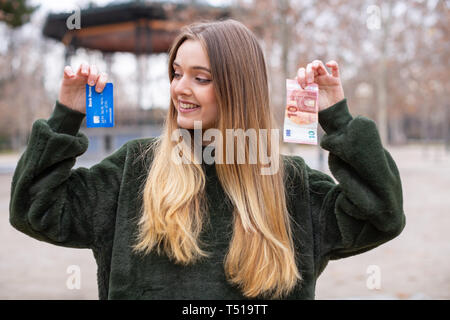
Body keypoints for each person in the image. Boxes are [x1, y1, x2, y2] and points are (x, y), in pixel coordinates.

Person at [9, 19, 405, 300]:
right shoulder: (135, 168)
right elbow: (33, 211)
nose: (180, 88)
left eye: (201, 78)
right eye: (176, 73)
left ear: (238, 89)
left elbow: (381, 216)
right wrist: (66, 114)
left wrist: (337, 117)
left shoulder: (290, 183)